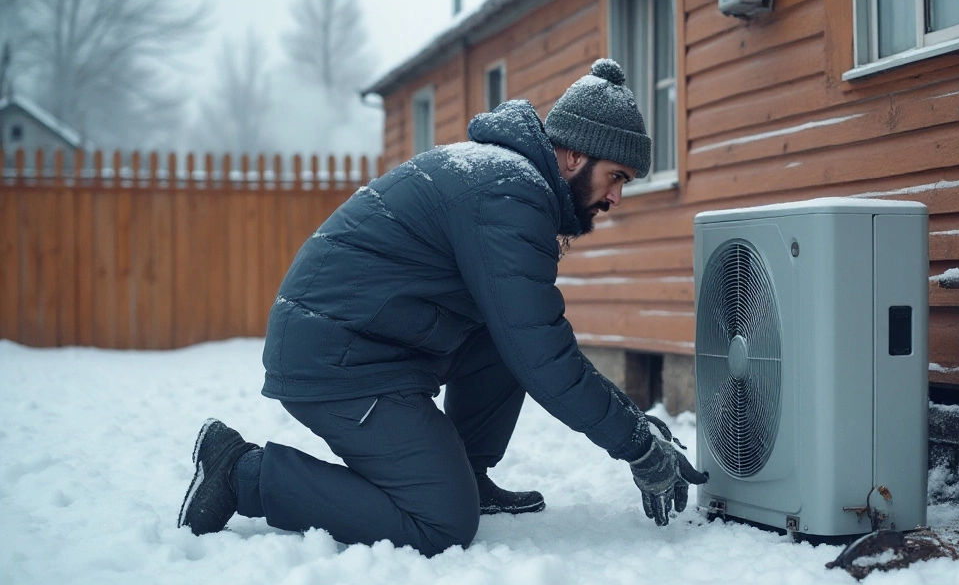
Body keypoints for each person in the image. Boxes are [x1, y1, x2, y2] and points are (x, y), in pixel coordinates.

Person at [177, 59, 707, 556]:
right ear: (574, 155)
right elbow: (544, 355)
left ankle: (465, 474)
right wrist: (636, 443)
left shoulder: (508, 183)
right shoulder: (511, 195)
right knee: (441, 522)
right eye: (616, 176)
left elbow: (522, 338)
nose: (617, 197)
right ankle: (241, 473)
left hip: (372, 342)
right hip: (335, 357)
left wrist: (631, 426)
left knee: (504, 335)